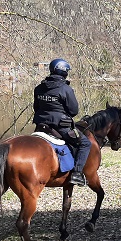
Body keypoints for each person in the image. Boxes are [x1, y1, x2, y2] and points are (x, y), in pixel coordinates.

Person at [33, 58, 91, 186]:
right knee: (85, 144)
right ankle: (76, 174)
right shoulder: (66, 89)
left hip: (41, 127)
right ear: (64, 72)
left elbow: (36, 107)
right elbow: (74, 111)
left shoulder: (39, 88)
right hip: (60, 128)